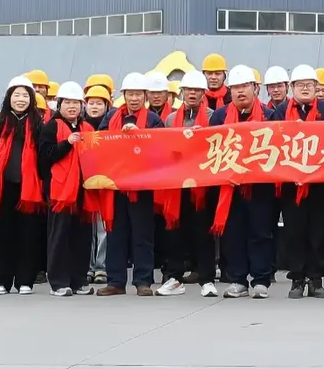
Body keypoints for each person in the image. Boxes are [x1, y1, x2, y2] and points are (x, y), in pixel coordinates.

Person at [210, 65, 278, 299]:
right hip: (230, 186)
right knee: (233, 233)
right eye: (235, 88)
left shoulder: (270, 116)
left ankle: (261, 280)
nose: (240, 92)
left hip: (261, 186)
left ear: (255, 89)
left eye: (245, 87)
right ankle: (238, 279)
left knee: (261, 232)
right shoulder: (219, 117)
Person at [0, 77, 48, 295]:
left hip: (29, 189)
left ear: (32, 99)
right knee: (1, 235)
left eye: (25, 95)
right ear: (9, 98)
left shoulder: (38, 124)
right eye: (16, 95)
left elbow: (44, 157)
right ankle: (1, 280)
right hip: (2, 187)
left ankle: (25, 280)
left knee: (27, 236)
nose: (20, 99)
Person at [98, 73, 162, 296]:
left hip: (142, 186)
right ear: (123, 95)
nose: (134, 98)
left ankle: (143, 281)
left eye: (138, 94)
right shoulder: (111, 117)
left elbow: (160, 148)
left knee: (142, 234)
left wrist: (140, 136)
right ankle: (115, 281)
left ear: (145, 96)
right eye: (130, 94)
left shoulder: (153, 120)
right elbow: (100, 143)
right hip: (115, 184)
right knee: (115, 232)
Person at [156, 71, 217, 297]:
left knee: (203, 233)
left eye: (197, 90)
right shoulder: (171, 119)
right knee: (174, 232)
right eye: (189, 90)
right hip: (176, 184)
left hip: (203, 185)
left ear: (203, 93)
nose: (192, 94)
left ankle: (207, 279)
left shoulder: (212, 117)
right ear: (182, 92)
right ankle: (173, 277)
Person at [281, 65, 324, 299]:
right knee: (294, 232)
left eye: (310, 85)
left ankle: (316, 279)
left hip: (320, 184)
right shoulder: (282, 111)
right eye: (300, 85)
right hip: (290, 184)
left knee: (318, 232)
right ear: (292, 88)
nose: (305, 89)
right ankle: (297, 280)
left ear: (317, 88)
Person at [43, 82, 98, 296]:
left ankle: (78, 279)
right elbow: (45, 156)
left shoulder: (88, 128)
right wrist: (66, 143)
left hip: (83, 191)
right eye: (67, 102)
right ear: (59, 104)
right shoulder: (52, 126)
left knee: (82, 236)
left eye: (76, 102)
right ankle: (58, 281)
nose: (72, 106)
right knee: (59, 236)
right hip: (60, 192)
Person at [82, 84, 112, 284]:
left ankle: (100, 267)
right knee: (86, 229)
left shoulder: (111, 126)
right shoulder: (79, 126)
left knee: (102, 229)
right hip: (84, 183)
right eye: (91, 103)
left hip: (104, 183)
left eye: (99, 103)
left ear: (106, 106)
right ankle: (87, 267)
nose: (94, 107)